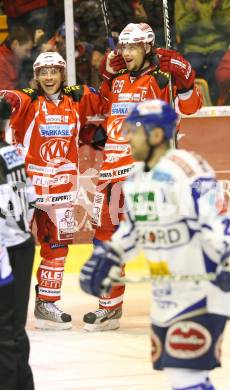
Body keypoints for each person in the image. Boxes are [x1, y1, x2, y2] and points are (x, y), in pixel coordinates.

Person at [79, 99, 230, 390]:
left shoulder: (188, 169)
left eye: (135, 130)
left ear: (157, 135)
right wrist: (111, 254)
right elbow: (135, 230)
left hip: (202, 291)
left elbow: (216, 217)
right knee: (182, 375)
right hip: (166, 293)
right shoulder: (135, 177)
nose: (127, 137)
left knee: (185, 377)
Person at [83, 22, 202, 332]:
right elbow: (100, 109)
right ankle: (108, 308)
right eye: (124, 47)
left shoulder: (162, 79)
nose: (126, 53)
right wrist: (105, 77)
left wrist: (186, 78)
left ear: (148, 47)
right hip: (112, 170)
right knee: (106, 239)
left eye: (133, 47)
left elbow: (190, 109)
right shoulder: (118, 80)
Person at [0, 51, 108, 330]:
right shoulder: (28, 99)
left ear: (62, 74)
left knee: (58, 247)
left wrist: (109, 70)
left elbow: (108, 100)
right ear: (36, 76)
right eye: (43, 72)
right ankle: (8, 307)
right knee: (12, 247)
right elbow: (10, 99)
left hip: (63, 189)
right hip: (27, 190)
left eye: (54, 71)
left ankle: (47, 304)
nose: (49, 77)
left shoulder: (75, 99)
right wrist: (7, 98)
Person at [0, 97, 36, 390]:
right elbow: (30, 198)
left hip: (7, 251)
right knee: (12, 331)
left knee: (5, 333)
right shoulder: (11, 153)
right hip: (20, 244)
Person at [175, 0, 230, 104]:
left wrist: (217, 11)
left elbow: (228, 27)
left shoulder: (222, 1)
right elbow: (181, 29)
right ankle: (191, 104)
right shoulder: (183, 1)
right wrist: (193, 13)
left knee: (218, 70)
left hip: (218, 46)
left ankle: (218, 104)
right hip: (192, 47)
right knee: (190, 69)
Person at [0, 26, 33, 90]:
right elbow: (6, 94)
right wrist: (30, 88)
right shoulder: (1, 61)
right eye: (26, 50)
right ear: (15, 44)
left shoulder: (15, 57)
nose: (28, 55)